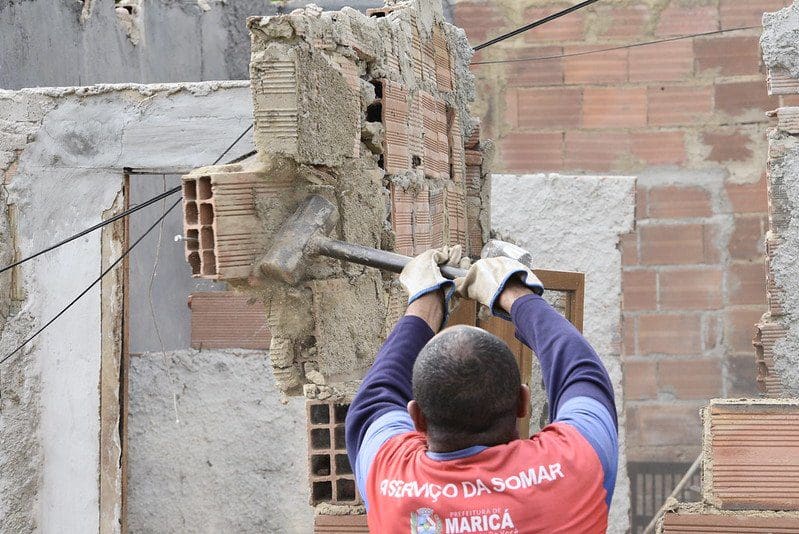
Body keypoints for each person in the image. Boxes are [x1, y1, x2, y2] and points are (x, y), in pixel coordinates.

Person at [345, 247, 618, 533]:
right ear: (523, 402)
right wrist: (512, 294)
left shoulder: (387, 476)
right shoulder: (577, 466)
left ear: (417, 418)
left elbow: (377, 396)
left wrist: (425, 302)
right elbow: (581, 369)